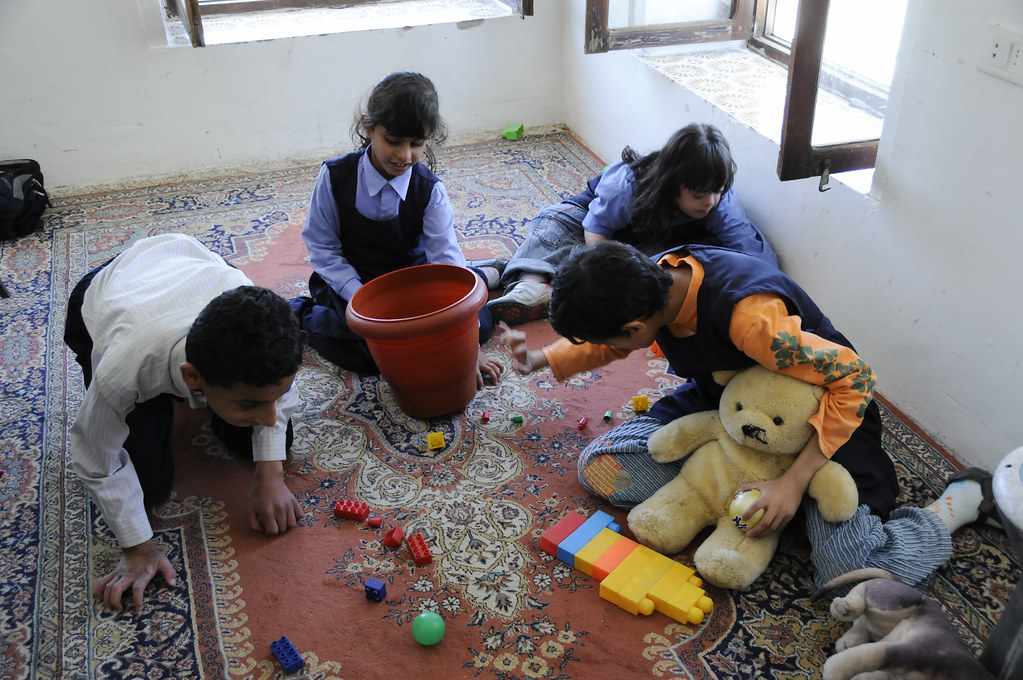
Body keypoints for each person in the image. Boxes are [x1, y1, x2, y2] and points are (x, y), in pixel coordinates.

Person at [500, 241, 994, 588]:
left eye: (615, 339)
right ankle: (747, 499)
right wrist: (543, 359)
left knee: (851, 574)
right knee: (603, 466)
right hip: (728, 405)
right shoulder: (653, 280)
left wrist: (794, 483)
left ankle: (953, 507)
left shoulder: (753, 322)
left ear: (634, 326)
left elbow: (856, 380)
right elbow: (614, 341)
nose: (615, 349)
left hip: (816, 421)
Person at [65, 233, 305, 613]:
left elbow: (274, 398)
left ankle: (224, 403)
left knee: (271, 441)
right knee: (148, 487)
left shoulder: (262, 325)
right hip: (108, 293)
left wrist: (270, 474)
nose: (269, 416)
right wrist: (137, 546)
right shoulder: (124, 366)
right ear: (193, 378)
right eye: (251, 403)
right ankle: (186, 401)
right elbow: (95, 457)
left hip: (187, 264)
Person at [291, 71, 504, 386]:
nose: (405, 156)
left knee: (479, 325)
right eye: (393, 141)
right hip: (354, 284)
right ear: (369, 128)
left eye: (416, 144)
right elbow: (322, 247)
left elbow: (445, 260)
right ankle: (300, 313)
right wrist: (360, 299)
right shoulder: (335, 177)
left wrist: (469, 346)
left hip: (411, 282)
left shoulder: (430, 190)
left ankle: (478, 274)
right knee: (370, 353)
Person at [486, 123, 778, 325]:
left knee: (679, 267)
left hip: (646, 245)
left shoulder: (721, 202)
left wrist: (767, 295)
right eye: (699, 195)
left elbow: (750, 254)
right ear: (672, 184)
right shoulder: (627, 183)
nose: (710, 202)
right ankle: (531, 285)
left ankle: (527, 278)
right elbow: (595, 234)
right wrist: (610, 273)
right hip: (591, 225)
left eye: (718, 192)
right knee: (554, 228)